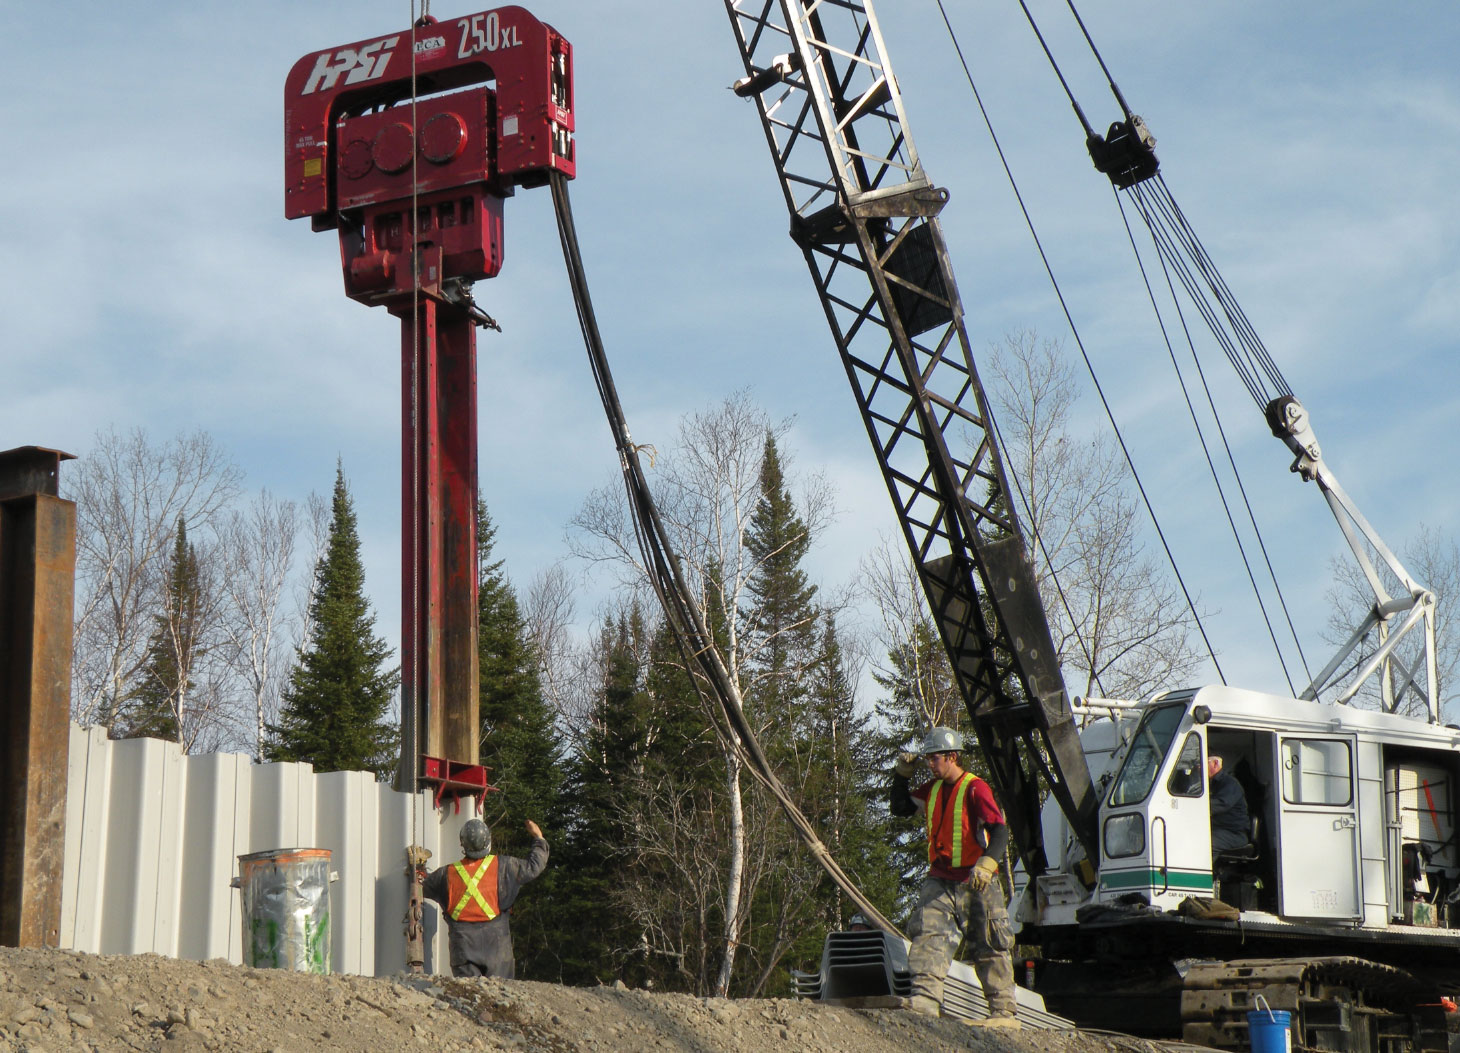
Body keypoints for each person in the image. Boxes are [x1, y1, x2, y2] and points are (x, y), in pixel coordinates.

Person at [890, 726, 1019, 1029]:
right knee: (928, 934)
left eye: (935, 758)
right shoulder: (931, 790)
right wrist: (901, 775)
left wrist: (987, 863)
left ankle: (1003, 1012)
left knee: (989, 943)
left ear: (952, 757)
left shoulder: (975, 788)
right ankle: (925, 999)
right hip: (941, 878)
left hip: (977, 881)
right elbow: (899, 807)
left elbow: (999, 828)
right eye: (928, 759)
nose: (930, 764)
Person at [422, 817, 549, 978]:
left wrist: (418, 869)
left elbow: (423, 886)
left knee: (467, 997)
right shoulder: (505, 867)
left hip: (463, 946)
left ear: (463, 844)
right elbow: (534, 866)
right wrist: (539, 839)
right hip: (496, 946)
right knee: (501, 995)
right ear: (488, 841)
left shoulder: (445, 874)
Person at [1208, 755, 1251, 854]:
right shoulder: (1211, 784)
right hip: (1219, 830)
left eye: (1203, 763)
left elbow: (1221, 804)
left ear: (1215, 764)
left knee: (1205, 843)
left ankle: (1208, 869)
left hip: (1234, 833)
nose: (1199, 767)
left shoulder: (1229, 783)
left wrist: (1197, 807)